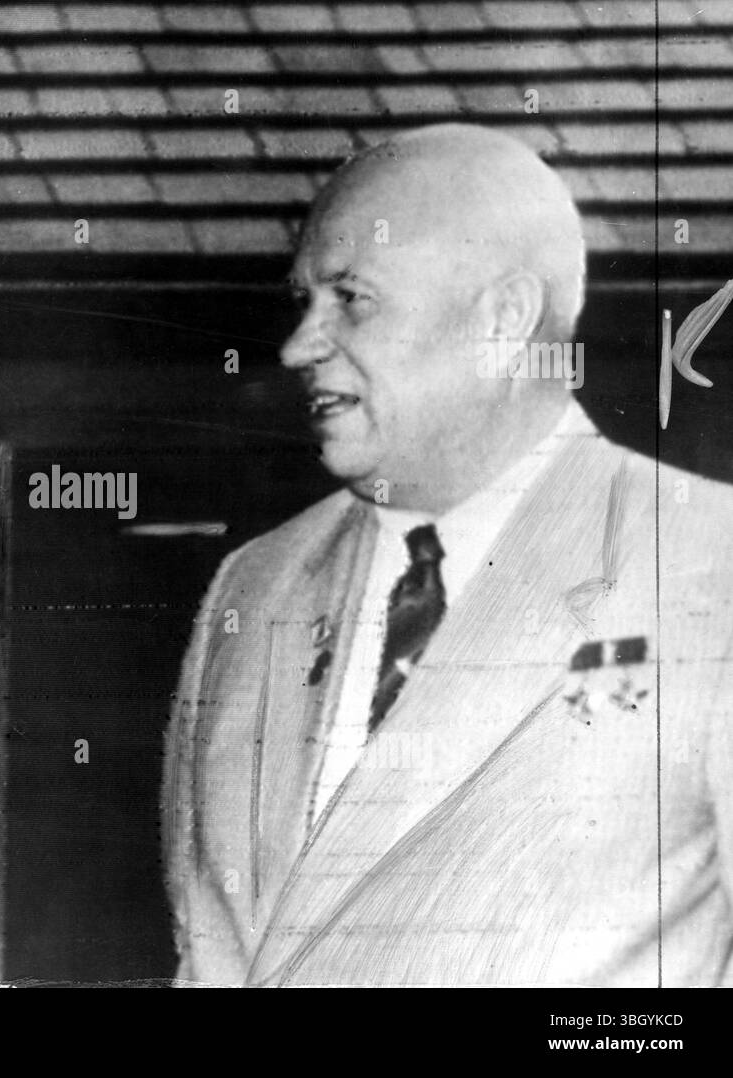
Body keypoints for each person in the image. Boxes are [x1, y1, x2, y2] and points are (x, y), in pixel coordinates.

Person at [162, 123, 733, 986]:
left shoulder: (706, 562)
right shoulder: (254, 585)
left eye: (350, 298)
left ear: (503, 318)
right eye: (302, 302)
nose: (296, 347)